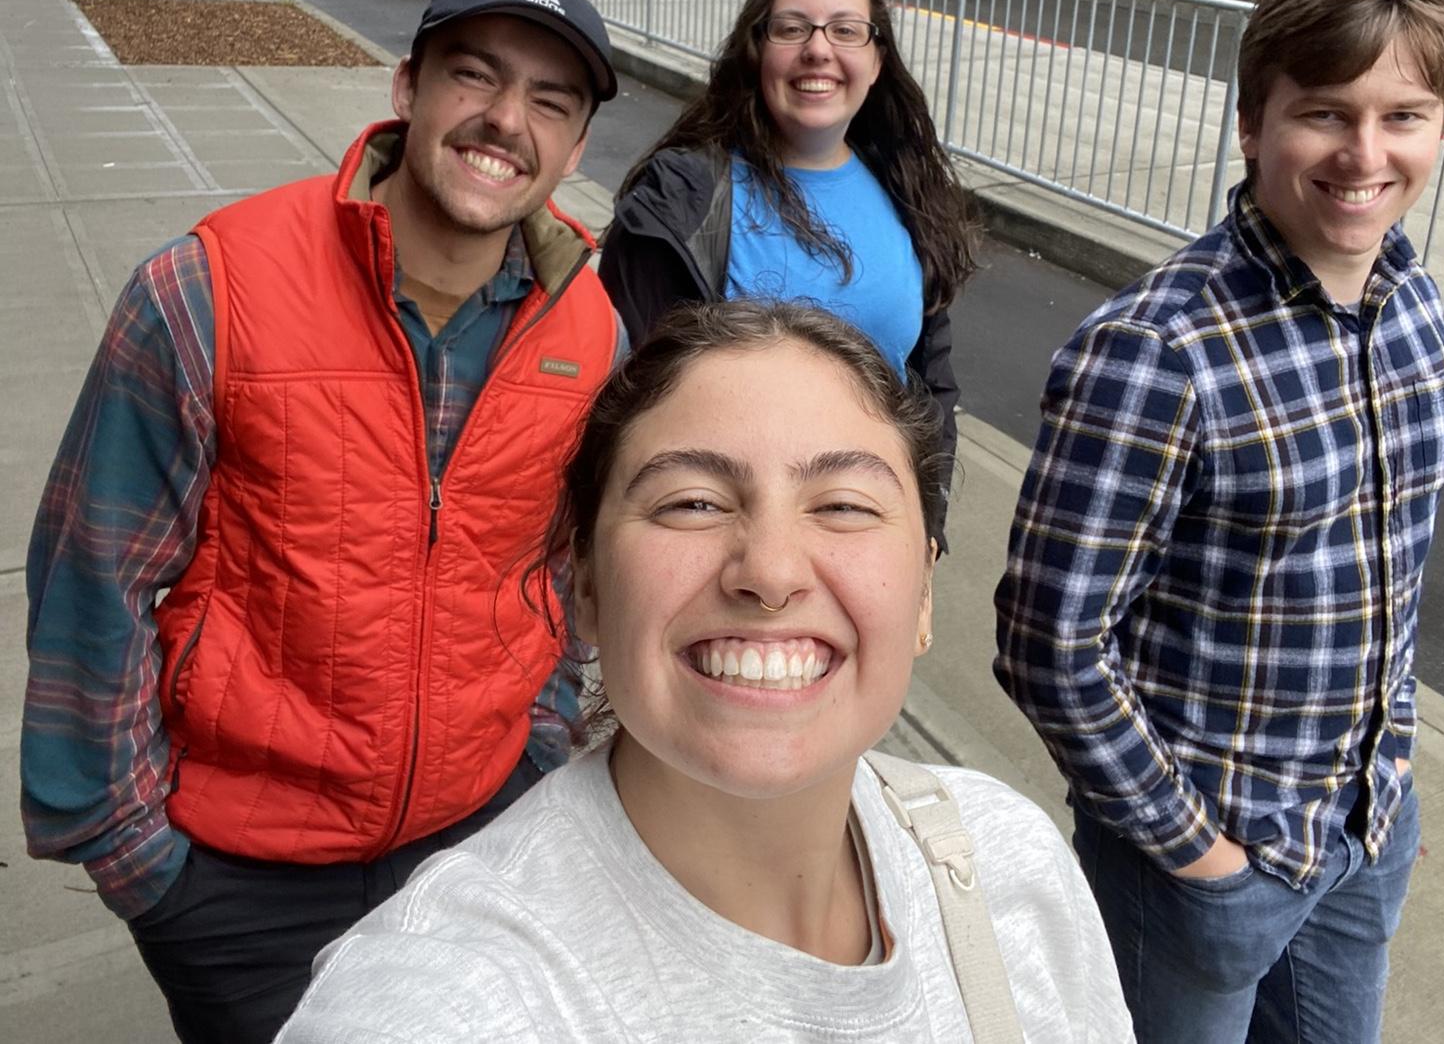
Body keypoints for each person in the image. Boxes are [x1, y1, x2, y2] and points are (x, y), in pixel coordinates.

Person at [21, 0, 624, 1044]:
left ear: (576, 149)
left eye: (550, 101)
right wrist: (132, 853)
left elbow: (561, 566)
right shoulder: (208, 289)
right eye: (475, 76)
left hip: (476, 842)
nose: (504, 120)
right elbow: (95, 578)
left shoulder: (588, 331)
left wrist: (538, 747)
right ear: (408, 89)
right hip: (238, 888)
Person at [278, 301, 1133, 1043]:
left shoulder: (1012, 864)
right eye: (692, 503)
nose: (768, 569)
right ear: (585, 586)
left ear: (922, 597)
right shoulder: (447, 994)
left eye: (842, 505)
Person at [994, 0, 1444, 1044]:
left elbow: (1389, 561)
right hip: (1203, 863)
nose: (1367, 154)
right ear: (1253, 123)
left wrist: (1386, 764)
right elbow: (1049, 644)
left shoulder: (1411, 302)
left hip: (1361, 829)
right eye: (1325, 114)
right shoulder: (1158, 352)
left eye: (1404, 115)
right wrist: (1199, 854)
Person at [598, 0, 975, 535]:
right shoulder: (682, 204)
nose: (818, 50)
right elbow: (630, 406)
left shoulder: (909, 192)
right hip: (727, 540)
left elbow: (930, 380)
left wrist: (925, 524)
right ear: (756, 52)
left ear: (877, 61)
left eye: (846, 31)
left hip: (871, 535)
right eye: (792, 29)